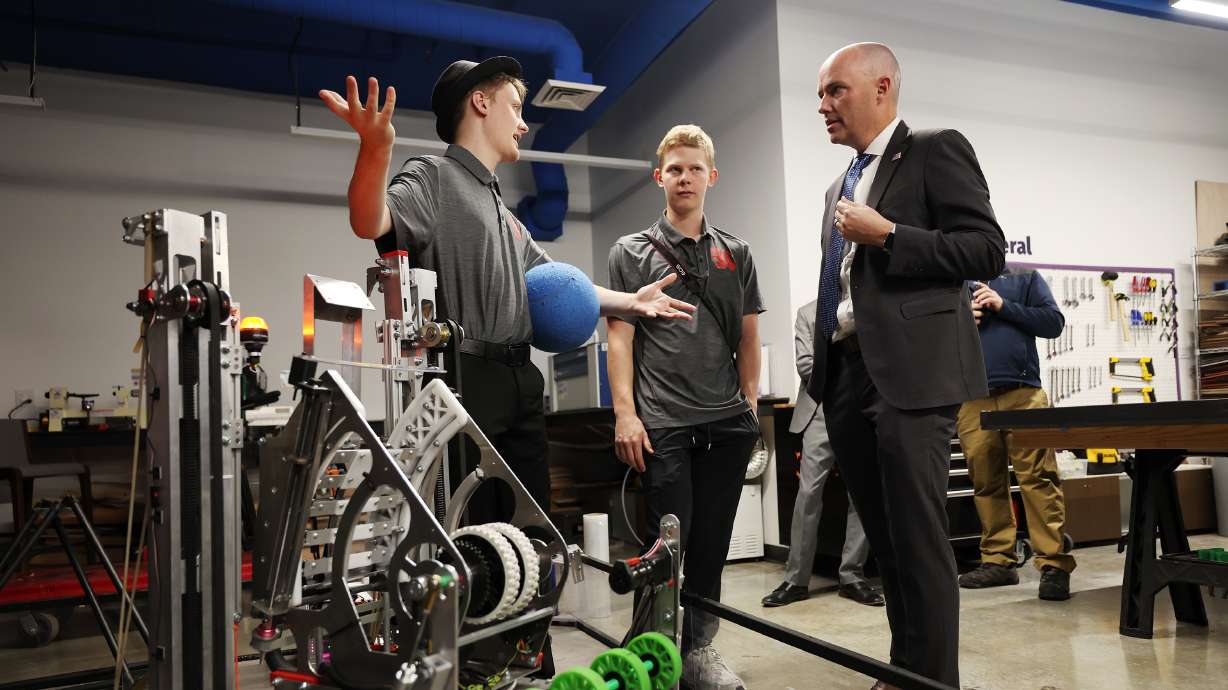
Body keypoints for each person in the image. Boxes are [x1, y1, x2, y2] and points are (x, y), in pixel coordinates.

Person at [318, 57, 694, 526]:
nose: (522, 123)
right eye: (514, 107)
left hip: (521, 378)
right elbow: (368, 220)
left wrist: (632, 301)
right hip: (466, 376)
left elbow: (561, 284)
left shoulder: (503, 211)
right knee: (473, 526)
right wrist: (376, 149)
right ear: (480, 102)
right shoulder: (433, 176)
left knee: (531, 523)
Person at [807, 43, 1006, 688]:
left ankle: (934, 681)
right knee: (887, 546)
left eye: (836, 90)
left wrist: (888, 234)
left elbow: (984, 249)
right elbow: (837, 282)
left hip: (913, 375)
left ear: (882, 87)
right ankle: (905, 672)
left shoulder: (933, 148)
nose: (823, 104)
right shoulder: (841, 184)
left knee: (919, 543)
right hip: (847, 375)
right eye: (821, 94)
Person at [607, 124, 763, 690]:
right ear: (659, 178)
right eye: (675, 169)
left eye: (695, 168)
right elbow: (619, 338)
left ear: (711, 177)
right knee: (664, 548)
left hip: (725, 424)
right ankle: (652, 652)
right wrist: (626, 413)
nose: (685, 177)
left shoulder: (736, 254)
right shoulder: (631, 252)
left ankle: (698, 651)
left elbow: (747, 337)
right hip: (664, 424)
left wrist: (748, 405)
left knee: (711, 546)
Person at [958, 268, 1075, 600]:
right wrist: (961, 320)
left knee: (1038, 479)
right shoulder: (954, 286)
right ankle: (998, 561)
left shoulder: (1024, 279)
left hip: (1023, 395)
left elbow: (1053, 323)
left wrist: (1002, 305)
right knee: (986, 482)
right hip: (972, 397)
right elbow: (929, 336)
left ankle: (1053, 563)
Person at [762, 300, 882, 609]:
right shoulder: (807, 313)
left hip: (862, 411)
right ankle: (796, 579)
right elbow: (805, 365)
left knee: (863, 494)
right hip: (821, 411)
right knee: (808, 494)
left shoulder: (868, 304)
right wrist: (850, 358)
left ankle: (852, 576)